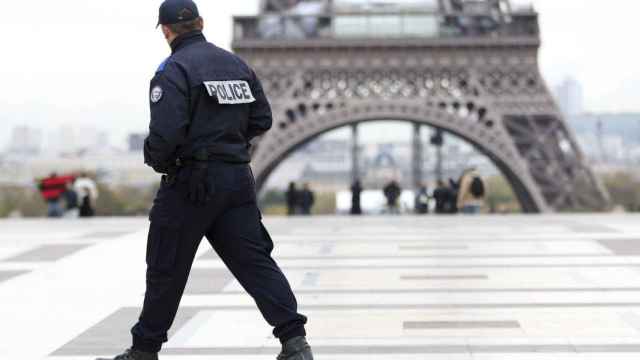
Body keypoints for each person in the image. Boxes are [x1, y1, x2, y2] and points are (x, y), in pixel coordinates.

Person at [98, 2, 312, 360]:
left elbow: (166, 133)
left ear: (166, 31)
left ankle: (144, 350)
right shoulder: (237, 64)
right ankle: (294, 340)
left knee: (167, 265)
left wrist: (162, 159)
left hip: (191, 182)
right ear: (200, 23)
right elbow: (262, 118)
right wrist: (227, 141)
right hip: (236, 178)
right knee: (256, 262)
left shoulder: (174, 68)